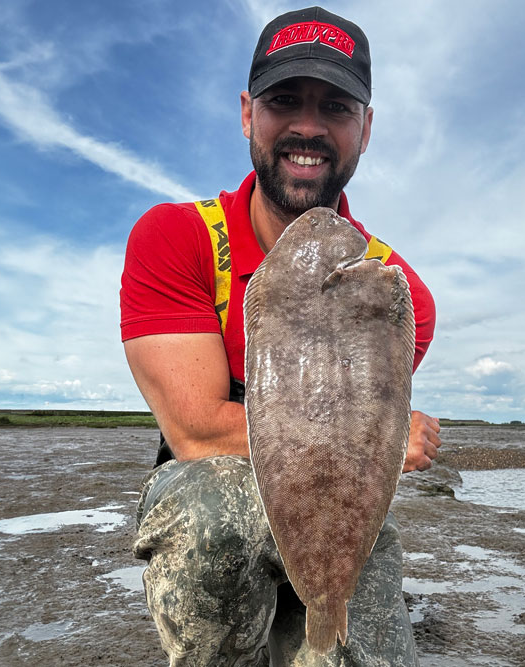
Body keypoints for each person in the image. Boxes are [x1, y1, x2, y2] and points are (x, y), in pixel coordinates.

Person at [120, 7, 440, 666]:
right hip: (212, 498)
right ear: (247, 114)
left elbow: (363, 464)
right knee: (210, 520)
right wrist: (383, 434)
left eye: (337, 107)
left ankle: (319, 616)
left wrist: (381, 437)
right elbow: (197, 432)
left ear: (366, 127)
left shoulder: (398, 293)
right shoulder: (177, 239)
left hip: (332, 512)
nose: (308, 127)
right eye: (284, 101)